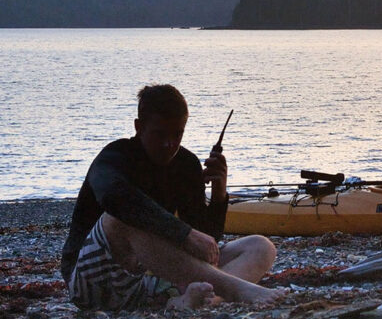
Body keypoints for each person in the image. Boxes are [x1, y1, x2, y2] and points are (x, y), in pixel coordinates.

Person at [60, 84, 284, 310]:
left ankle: (202, 301)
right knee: (122, 217)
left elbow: (206, 244)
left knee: (260, 246)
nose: (169, 144)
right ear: (139, 127)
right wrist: (183, 233)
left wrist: (218, 194)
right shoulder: (114, 158)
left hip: (154, 277)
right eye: (160, 134)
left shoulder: (186, 164)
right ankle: (233, 289)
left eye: (177, 134)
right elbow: (114, 198)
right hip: (95, 283)